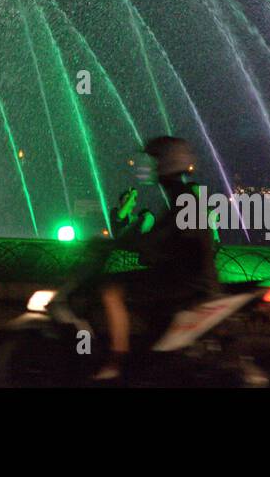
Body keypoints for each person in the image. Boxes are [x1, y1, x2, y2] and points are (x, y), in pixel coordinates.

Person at [93, 135, 218, 382]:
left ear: (166, 164)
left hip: (186, 280)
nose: (148, 166)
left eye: (154, 160)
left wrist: (125, 242)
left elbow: (162, 238)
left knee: (111, 289)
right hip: (188, 276)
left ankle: (116, 362)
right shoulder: (181, 195)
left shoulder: (182, 197)